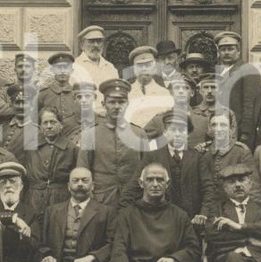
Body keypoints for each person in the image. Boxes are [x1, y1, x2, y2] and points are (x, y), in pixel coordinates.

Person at [121, 110, 217, 220]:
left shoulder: (198, 158)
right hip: (160, 221)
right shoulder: (152, 156)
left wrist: (203, 214)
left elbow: (208, 190)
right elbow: (133, 188)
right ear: (165, 132)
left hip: (191, 221)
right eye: (173, 129)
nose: (177, 134)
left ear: (188, 134)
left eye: (181, 130)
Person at [77, 79, 147, 208]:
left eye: (121, 102)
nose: (117, 106)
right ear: (103, 104)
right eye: (112, 102)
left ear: (128, 104)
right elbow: (83, 171)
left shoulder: (139, 134)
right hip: (100, 201)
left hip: (133, 200)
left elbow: (146, 169)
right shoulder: (90, 134)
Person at [22, 107, 78, 211]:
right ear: (40, 126)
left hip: (61, 199)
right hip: (34, 199)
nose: (49, 126)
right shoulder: (31, 148)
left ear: (61, 125)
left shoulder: (71, 149)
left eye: (53, 122)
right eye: (45, 123)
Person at [213, 32, 261, 148]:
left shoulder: (248, 69)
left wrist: (245, 133)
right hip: (220, 128)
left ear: (238, 51)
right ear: (219, 52)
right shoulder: (218, 72)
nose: (227, 52)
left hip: (238, 130)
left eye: (230, 49)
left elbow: (250, 103)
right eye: (223, 49)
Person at [144, 75, 208, 148]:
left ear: (192, 93)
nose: (181, 91)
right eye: (177, 88)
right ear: (171, 92)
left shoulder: (204, 121)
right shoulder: (157, 121)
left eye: (185, 88)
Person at [125, 46, 172, 129]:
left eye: (148, 65)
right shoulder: (126, 92)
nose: (144, 69)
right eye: (140, 65)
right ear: (133, 69)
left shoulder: (164, 93)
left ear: (154, 67)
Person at [37, 52, 82, 139]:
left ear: (71, 70)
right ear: (52, 70)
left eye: (66, 68)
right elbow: (35, 121)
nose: (62, 71)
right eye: (58, 68)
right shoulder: (43, 94)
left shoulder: (78, 94)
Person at [199, 112, 254, 183]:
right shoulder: (204, 151)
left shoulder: (241, 151)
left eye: (223, 125)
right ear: (210, 128)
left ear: (230, 128)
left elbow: (252, 184)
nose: (218, 129)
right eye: (214, 125)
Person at [72, 25, 120, 99]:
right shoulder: (75, 67)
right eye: (91, 41)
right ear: (82, 45)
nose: (96, 45)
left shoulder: (110, 67)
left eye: (99, 41)